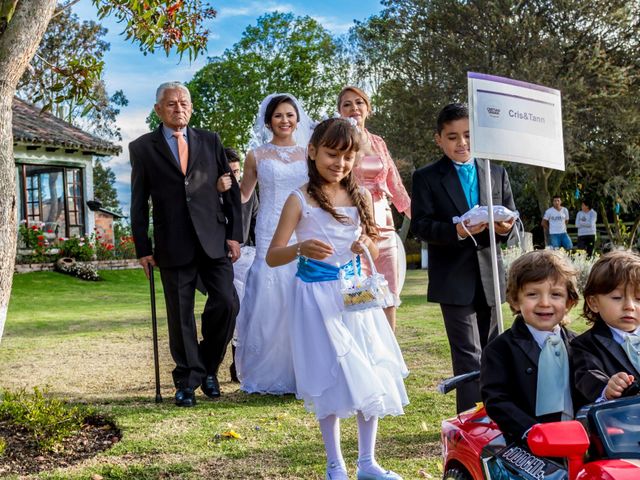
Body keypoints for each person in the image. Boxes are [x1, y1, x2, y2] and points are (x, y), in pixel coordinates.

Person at [266, 118, 409, 480]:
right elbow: (273, 254)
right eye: (332, 154)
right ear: (312, 152)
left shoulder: (359, 195)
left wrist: (367, 244)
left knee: (369, 367)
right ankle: (335, 464)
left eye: (348, 157)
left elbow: (373, 239)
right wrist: (300, 247)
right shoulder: (300, 199)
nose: (340, 164)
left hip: (356, 294)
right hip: (316, 297)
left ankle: (367, 462)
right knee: (327, 372)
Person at [130, 81, 242, 407]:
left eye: (184, 103)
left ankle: (207, 365)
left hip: (213, 239)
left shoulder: (210, 141)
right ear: (158, 110)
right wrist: (143, 249)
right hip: (172, 243)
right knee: (180, 317)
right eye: (171, 103)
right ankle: (187, 380)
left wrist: (234, 235)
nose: (179, 108)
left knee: (226, 303)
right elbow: (139, 203)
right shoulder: (142, 148)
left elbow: (231, 192)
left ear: (191, 107)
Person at [410, 103, 516, 413]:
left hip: (491, 276)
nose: (462, 143)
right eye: (453, 137)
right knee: (468, 354)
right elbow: (420, 226)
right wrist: (457, 230)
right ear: (439, 139)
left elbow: (509, 221)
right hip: (452, 278)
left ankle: (499, 414)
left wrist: (505, 228)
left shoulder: (495, 172)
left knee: (495, 349)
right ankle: (470, 422)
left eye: (469, 135)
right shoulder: (426, 177)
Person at [233, 93, 314, 394]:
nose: (285, 120)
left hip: (303, 227)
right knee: (270, 295)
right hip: (268, 228)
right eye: (278, 115)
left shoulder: (309, 153)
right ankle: (268, 372)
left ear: (297, 119)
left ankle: (303, 370)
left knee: (301, 292)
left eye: (290, 115)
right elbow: (243, 194)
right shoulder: (256, 155)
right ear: (268, 120)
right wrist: (219, 189)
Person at [480, 250, 583, 443]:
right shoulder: (500, 350)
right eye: (532, 294)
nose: (544, 303)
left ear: (569, 302)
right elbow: (497, 400)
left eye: (556, 294)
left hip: (579, 439)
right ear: (515, 300)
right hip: (528, 443)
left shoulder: (580, 346)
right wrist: (530, 431)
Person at [338, 86, 411, 332]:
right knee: (360, 295)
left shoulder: (378, 142)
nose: (354, 108)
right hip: (353, 226)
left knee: (389, 296)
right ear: (339, 110)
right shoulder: (337, 141)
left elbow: (395, 184)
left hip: (385, 224)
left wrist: (419, 218)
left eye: (359, 103)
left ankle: (389, 361)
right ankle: (363, 357)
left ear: (368, 108)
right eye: (347, 104)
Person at [571, 250, 640, 406]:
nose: (629, 306)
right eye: (617, 297)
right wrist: (607, 388)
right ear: (593, 302)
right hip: (618, 422)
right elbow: (588, 376)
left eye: (639, 299)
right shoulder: (584, 345)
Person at [217, 147, 259, 383]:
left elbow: (255, 222)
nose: (234, 178)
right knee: (235, 306)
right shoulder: (213, 192)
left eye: (237, 171)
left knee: (250, 306)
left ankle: (242, 364)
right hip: (222, 258)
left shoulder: (249, 193)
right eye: (229, 172)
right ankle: (232, 362)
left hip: (248, 254)